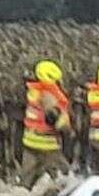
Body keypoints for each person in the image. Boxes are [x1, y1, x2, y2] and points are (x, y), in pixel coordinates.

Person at [20, 60, 72, 188]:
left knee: (27, 179)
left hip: (29, 141)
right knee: (64, 176)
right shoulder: (49, 94)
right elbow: (53, 117)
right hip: (46, 144)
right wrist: (66, 128)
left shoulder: (33, 91)